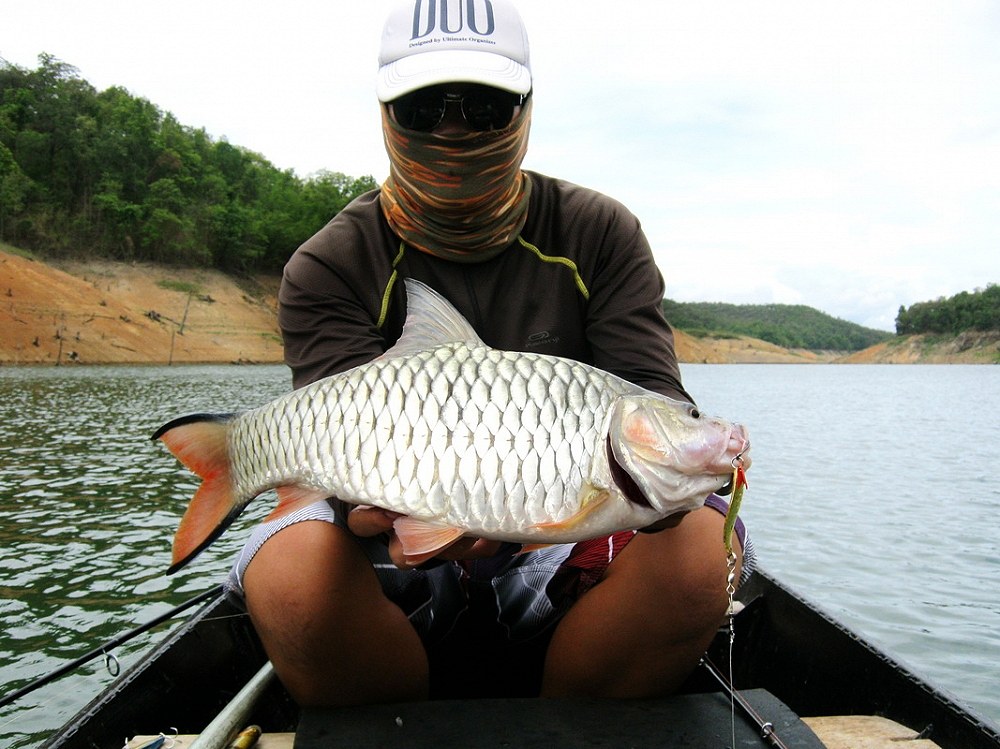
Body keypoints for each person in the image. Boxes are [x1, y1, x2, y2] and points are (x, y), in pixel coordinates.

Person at [227, 0, 755, 706]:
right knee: (287, 569)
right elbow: (345, 473)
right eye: (423, 110)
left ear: (526, 110)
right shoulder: (328, 264)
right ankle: (398, 726)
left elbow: (654, 417)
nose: (453, 130)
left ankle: (562, 724)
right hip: (392, 538)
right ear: (385, 115)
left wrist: (686, 471)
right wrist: (390, 514)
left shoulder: (600, 233)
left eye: (483, 108)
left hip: (569, 538)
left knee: (702, 548)